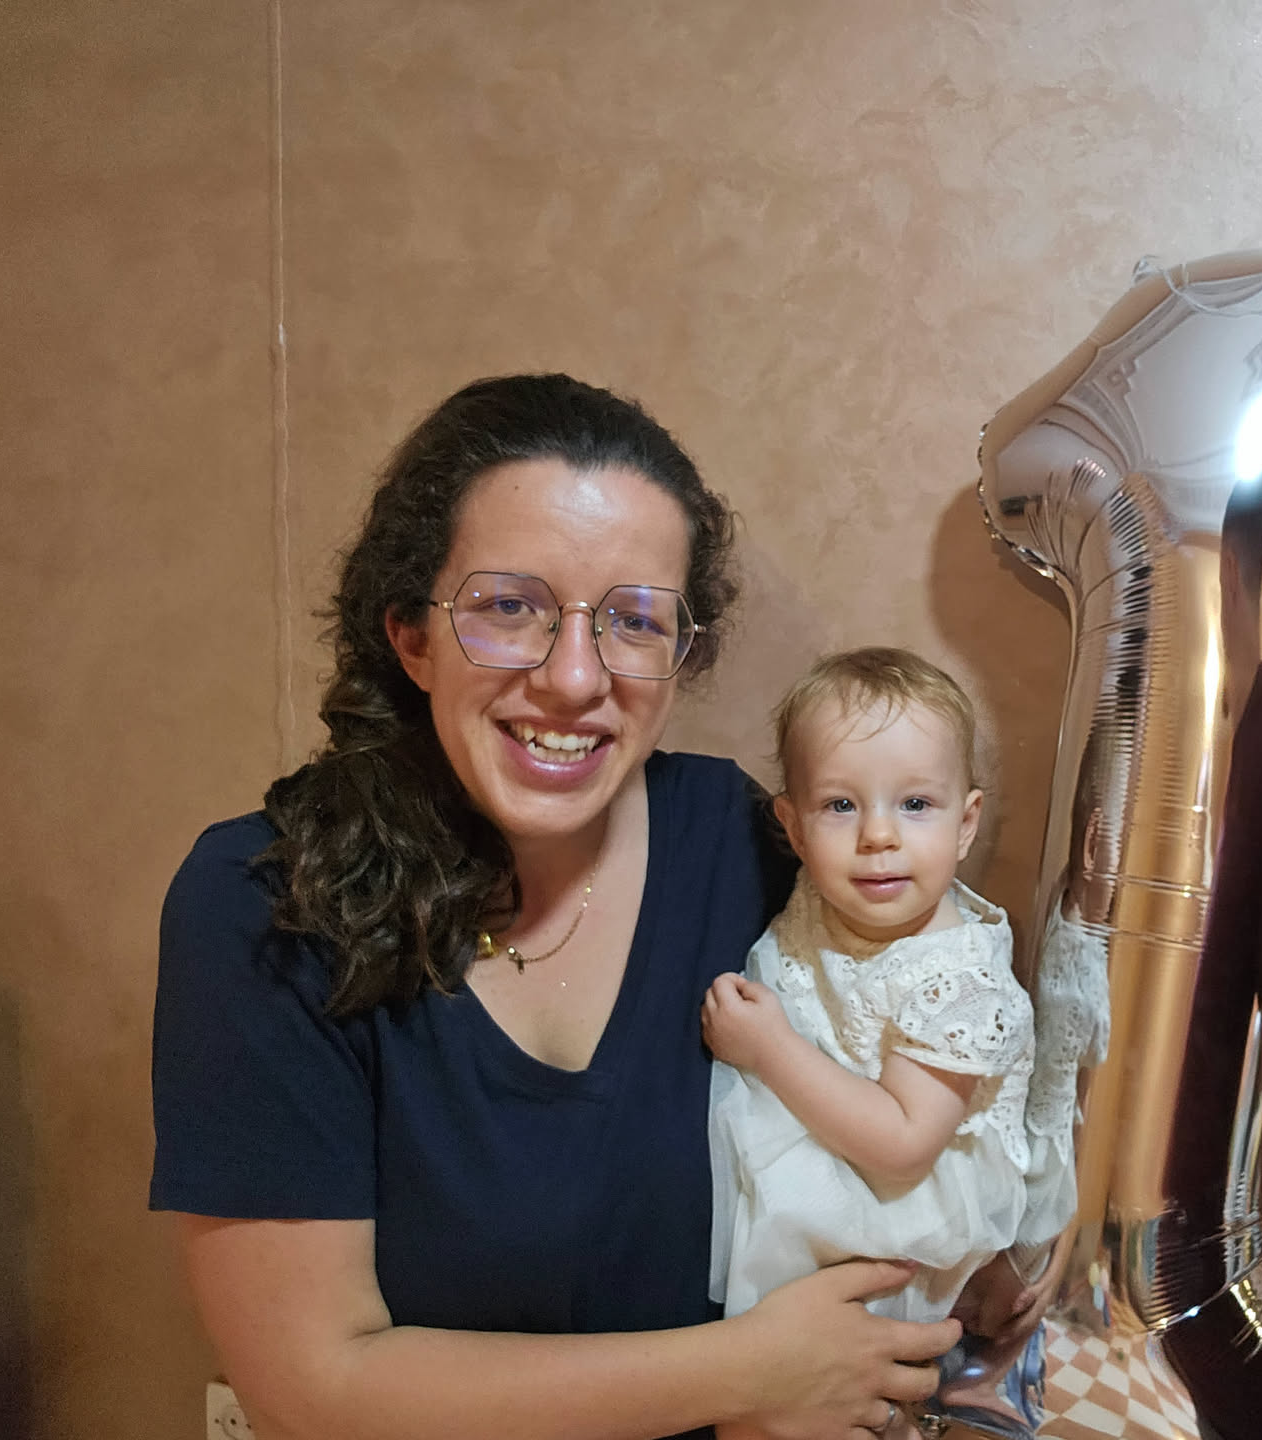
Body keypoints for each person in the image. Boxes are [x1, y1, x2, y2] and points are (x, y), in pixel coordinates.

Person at [150, 376, 959, 1440]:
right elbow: (314, 1388)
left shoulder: (745, 845)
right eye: (508, 607)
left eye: (633, 621)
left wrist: (1008, 1231)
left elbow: (947, 1002)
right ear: (411, 635)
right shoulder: (266, 903)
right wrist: (752, 1372)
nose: (575, 677)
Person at [703, 648, 1035, 1431]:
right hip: (810, 1150)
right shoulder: (825, 895)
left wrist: (769, 1049)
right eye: (841, 806)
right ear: (792, 827)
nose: (878, 836)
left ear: (966, 823)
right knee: (759, 1386)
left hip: (891, 1214)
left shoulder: (958, 978)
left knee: (843, 1392)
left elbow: (902, 1147)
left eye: (916, 804)